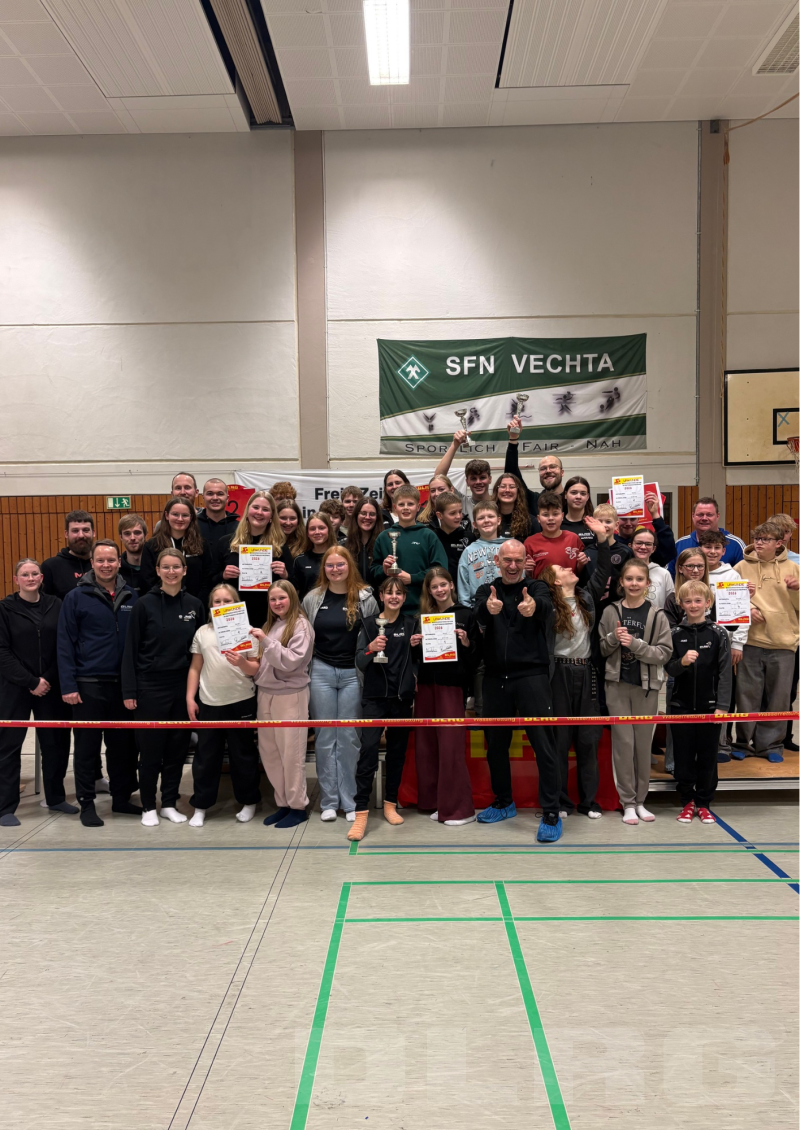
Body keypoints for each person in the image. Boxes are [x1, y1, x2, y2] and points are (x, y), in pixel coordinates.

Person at [474, 540, 562, 842]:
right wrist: (487, 609)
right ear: (497, 561)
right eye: (507, 560)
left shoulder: (537, 588)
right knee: (495, 746)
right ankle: (503, 802)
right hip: (495, 678)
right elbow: (478, 616)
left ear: (526, 562)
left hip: (531, 677)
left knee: (544, 746)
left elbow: (546, 608)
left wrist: (533, 607)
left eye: (518, 560)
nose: (512, 566)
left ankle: (551, 812)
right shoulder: (487, 590)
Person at [58, 540, 141, 827]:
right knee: (87, 748)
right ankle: (87, 803)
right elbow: (64, 644)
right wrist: (68, 685)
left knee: (122, 747)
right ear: (92, 563)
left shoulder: (132, 596)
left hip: (122, 686)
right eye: (100, 560)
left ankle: (121, 799)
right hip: (87, 684)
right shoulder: (75, 597)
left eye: (111, 560)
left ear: (119, 562)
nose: (106, 565)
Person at [122, 548, 203, 826]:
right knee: (150, 751)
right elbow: (130, 650)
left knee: (177, 750)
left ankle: (168, 803)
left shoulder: (194, 605)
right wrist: (129, 691)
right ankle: (148, 805)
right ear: (157, 571)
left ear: (184, 570)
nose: (171, 572)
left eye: (176, 567)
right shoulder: (143, 605)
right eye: (165, 567)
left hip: (182, 687)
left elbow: (200, 652)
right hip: (150, 687)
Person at [540, 516, 611, 820]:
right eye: (562, 569)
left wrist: (602, 540)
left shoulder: (586, 597)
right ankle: (561, 802)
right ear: (555, 581)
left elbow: (604, 570)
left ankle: (589, 802)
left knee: (588, 740)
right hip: (558, 675)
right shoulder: (547, 606)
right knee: (559, 742)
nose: (569, 569)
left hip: (587, 672)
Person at [302, 546, 378, 822]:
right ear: (324, 569)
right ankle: (329, 801)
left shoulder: (366, 598)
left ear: (349, 566)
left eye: (340, 565)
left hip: (352, 674)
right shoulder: (312, 598)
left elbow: (374, 635)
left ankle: (350, 800)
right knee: (325, 737)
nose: (335, 570)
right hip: (321, 671)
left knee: (348, 737)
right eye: (330, 565)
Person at [0, 560, 74, 826]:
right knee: (8, 746)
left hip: (51, 687)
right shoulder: (4, 608)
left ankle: (55, 798)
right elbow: (2, 651)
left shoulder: (57, 605)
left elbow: (65, 644)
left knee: (56, 744)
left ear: (42, 578)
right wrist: (30, 681)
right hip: (15, 687)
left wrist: (47, 679)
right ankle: (5, 807)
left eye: (34, 574)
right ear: (16, 579)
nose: (30, 578)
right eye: (25, 575)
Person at [599, 559, 672, 825]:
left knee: (642, 746)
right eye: (629, 579)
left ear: (647, 583)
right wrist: (612, 639)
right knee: (623, 745)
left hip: (647, 688)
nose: (633, 583)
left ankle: (641, 801)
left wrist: (636, 645)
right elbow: (601, 649)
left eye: (639, 579)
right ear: (621, 582)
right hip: (617, 687)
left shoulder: (657, 614)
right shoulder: (611, 611)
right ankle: (627, 802)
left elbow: (664, 653)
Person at [239, 579, 314, 829]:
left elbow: (292, 661)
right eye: (273, 599)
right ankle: (283, 803)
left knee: (291, 753)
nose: (277, 603)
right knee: (270, 753)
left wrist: (265, 641)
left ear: (292, 598)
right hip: (266, 693)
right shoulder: (271, 625)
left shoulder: (301, 625)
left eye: (282, 597)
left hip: (290, 695)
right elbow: (263, 662)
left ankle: (298, 807)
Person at [347, 578, 416, 842]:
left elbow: (420, 662)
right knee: (368, 752)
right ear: (381, 596)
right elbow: (359, 661)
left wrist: (418, 647)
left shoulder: (412, 624)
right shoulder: (368, 624)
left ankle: (390, 803)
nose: (394, 597)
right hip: (374, 698)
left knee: (397, 754)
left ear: (404, 597)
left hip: (401, 699)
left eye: (399, 593)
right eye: (389, 593)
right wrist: (370, 649)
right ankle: (361, 811)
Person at [186, 584, 261, 827]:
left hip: (241, 701)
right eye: (217, 601)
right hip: (210, 702)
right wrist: (190, 698)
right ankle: (201, 805)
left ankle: (249, 801)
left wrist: (241, 663)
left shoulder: (248, 632)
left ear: (236, 604)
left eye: (227, 601)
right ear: (211, 606)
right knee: (206, 757)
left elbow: (255, 668)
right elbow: (195, 667)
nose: (222, 605)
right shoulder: (203, 632)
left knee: (243, 755)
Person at [410, 568, 478, 825]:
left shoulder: (466, 615)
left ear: (451, 585)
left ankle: (460, 809)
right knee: (426, 745)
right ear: (428, 591)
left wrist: (467, 643)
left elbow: (476, 658)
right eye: (434, 587)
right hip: (426, 686)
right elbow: (416, 659)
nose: (439, 590)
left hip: (452, 686)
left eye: (442, 585)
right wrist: (414, 646)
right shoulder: (423, 618)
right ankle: (435, 802)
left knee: (450, 747)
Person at [732, 521, 800, 762]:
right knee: (746, 696)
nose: (759, 543)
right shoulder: (740, 567)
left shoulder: (793, 568)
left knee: (778, 699)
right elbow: (730, 598)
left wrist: (796, 590)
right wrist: (748, 608)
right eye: (757, 539)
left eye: (765, 539)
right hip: (750, 642)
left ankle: (770, 746)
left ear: (779, 543)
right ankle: (743, 743)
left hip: (783, 643)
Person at [666, 581, 732, 825]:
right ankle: (687, 802)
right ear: (680, 604)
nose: (693, 605)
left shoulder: (718, 633)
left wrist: (722, 706)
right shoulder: (674, 634)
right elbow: (669, 668)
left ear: (708, 603)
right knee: (683, 757)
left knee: (707, 758)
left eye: (698, 601)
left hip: (710, 708)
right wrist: (682, 663)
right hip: (680, 707)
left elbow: (725, 673)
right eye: (688, 601)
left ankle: (704, 803)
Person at [698, 530, 748, 761]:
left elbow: (741, 613)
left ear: (724, 551)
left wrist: (737, 643)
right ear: (700, 548)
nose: (712, 551)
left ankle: (722, 744)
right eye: (707, 547)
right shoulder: (694, 571)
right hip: (696, 642)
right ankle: (699, 743)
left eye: (716, 548)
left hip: (724, 645)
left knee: (723, 694)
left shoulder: (732, 575)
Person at [214, 491, 290, 626]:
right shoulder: (226, 543)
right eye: (255, 507)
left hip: (269, 617)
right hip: (233, 618)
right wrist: (223, 575)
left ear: (271, 516)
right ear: (247, 511)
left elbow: (295, 585)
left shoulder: (280, 547)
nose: (259, 512)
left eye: (265, 509)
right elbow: (210, 581)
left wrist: (285, 575)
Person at [371, 485, 448, 613]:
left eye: (410, 504)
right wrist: (383, 570)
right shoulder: (384, 537)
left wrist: (412, 578)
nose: (406, 507)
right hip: (392, 609)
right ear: (395, 507)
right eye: (401, 504)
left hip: (424, 607)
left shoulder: (428, 535)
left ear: (418, 507)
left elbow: (440, 570)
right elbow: (373, 571)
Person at [140, 498, 212, 601]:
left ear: (191, 517)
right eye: (175, 514)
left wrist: (196, 603)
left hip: (194, 604)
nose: (180, 519)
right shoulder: (152, 545)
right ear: (166, 515)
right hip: (161, 604)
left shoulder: (202, 545)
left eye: (185, 515)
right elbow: (147, 580)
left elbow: (207, 580)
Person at [768, 513, 799, 751]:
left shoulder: (796, 562)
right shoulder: (754, 560)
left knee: (786, 691)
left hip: (789, 636)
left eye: (785, 531)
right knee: (759, 693)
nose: (782, 535)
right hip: (762, 635)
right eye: (776, 530)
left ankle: (784, 737)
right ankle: (755, 740)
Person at [669, 496, 745, 576]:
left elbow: (745, 576)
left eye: (709, 515)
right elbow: (670, 578)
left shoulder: (736, 544)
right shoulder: (680, 545)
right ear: (693, 516)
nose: (704, 518)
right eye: (700, 514)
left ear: (717, 516)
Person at [524, 491, 585, 578]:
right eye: (545, 515)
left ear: (562, 516)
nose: (551, 518)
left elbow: (580, 573)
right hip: (541, 586)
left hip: (570, 586)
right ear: (538, 518)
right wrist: (527, 571)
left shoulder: (573, 538)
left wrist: (581, 564)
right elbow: (527, 575)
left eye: (555, 514)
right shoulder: (530, 543)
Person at [433, 438, 492, 522]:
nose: (478, 482)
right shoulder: (461, 502)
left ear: (490, 479)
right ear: (467, 482)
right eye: (473, 478)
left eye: (482, 478)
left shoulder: (498, 502)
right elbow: (439, 477)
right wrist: (455, 445)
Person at [457, 501, 504, 607]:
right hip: (478, 607)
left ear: (498, 520)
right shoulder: (468, 551)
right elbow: (463, 584)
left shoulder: (510, 546)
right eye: (481, 518)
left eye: (491, 516)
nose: (486, 520)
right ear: (474, 524)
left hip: (507, 605)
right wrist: (467, 609)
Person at [41, 510, 95, 599]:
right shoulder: (50, 567)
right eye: (75, 531)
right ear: (66, 534)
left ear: (93, 533)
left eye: (85, 530)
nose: (81, 535)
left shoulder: (105, 564)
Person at [615, 493, 676, 567]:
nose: (628, 523)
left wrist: (655, 514)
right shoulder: (610, 543)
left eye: (633, 519)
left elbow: (668, 550)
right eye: (623, 519)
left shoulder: (649, 552)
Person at [592, 503, 634, 609]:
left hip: (618, 606)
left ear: (616, 525)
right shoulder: (587, 551)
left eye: (608, 521)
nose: (603, 525)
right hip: (592, 607)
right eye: (599, 522)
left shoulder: (625, 552)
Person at [293, 511, 339, 600]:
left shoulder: (340, 557)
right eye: (312, 529)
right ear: (307, 533)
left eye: (321, 528)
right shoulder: (300, 560)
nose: (317, 532)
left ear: (329, 530)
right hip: (307, 607)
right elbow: (296, 593)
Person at [429, 491, 475, 575]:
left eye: (460, 511)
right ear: (439, 515)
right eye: (452, 513)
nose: (458, 516)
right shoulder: (432, 537)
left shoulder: (469, 537)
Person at [629, 525, 674, 609]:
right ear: (630, 545)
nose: (643, 547)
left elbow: (671, 605)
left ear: (653, 549)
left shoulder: (663, 574)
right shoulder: (623, 571)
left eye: (648, 544)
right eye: (639, 543)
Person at [664, 549, 709, 626]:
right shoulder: (672, 599)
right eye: (690, 566)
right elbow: (670, 630)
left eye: (700, 566)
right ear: (680, 569)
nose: (696, 570)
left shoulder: (712, 595)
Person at [345, 496, 383, 587]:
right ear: (356, 515)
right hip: (352, 595)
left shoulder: (384, 545)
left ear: (377, 517)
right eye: (363, 513)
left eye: (372, 514)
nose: (367, 517)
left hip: (379, 595)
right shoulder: (344, 546)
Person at [561, 476, 598, 562]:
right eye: (573, 493)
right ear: (565, 495)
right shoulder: (558, 524)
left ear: (587, 496)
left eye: (583, 493)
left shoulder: (595, 523)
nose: (578, 497)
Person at [492, 473, 538, 541]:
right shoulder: (488, 519)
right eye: (503, 486)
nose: (507, 490)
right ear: (497, 490)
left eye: (512, 487)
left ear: (518, 492)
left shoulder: (531, 522)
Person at [196, 479, 238, 549]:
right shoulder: (193, 525)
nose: (215, 498)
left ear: (227, 498)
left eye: (220, 494)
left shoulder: (239, 527)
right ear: (203, 497)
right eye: (210, 494)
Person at [117, 514, 148, 596]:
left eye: (137, 533)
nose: (132, 538)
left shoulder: (157, 567)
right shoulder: (116, 570)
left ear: (145, 535)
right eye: (127, 533)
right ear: (121, 537)